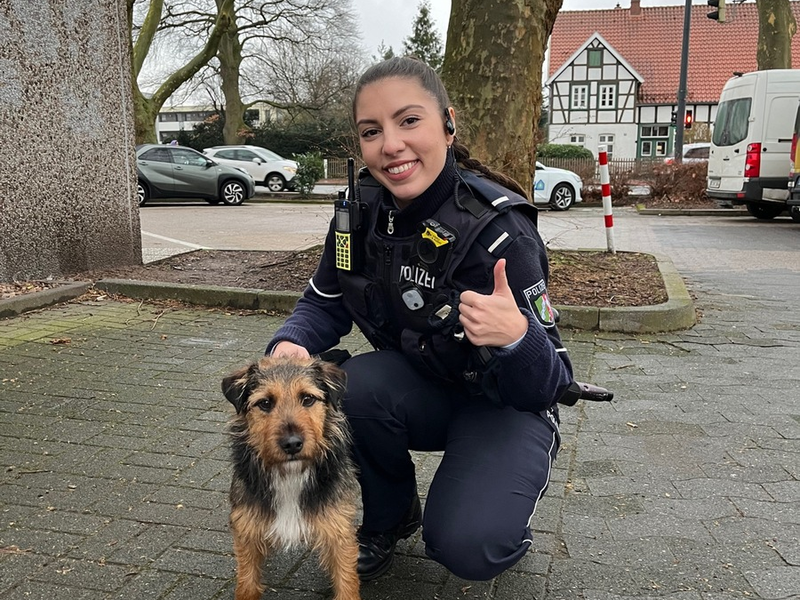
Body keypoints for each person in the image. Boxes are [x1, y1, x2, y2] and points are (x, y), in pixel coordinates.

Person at [265, 56, 577, 582]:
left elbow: (551, 381)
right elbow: (324, 299)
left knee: (468, 546)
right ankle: (390, 517)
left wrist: (517, 337)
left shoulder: (501, 231)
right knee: (351, 386)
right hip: (424, 387)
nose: (390, 145)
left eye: (409, 121)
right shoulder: (356, 212)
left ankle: (497, 505)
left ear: (447, 124)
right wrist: (291, 343)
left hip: (503, 404)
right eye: (372, 131)